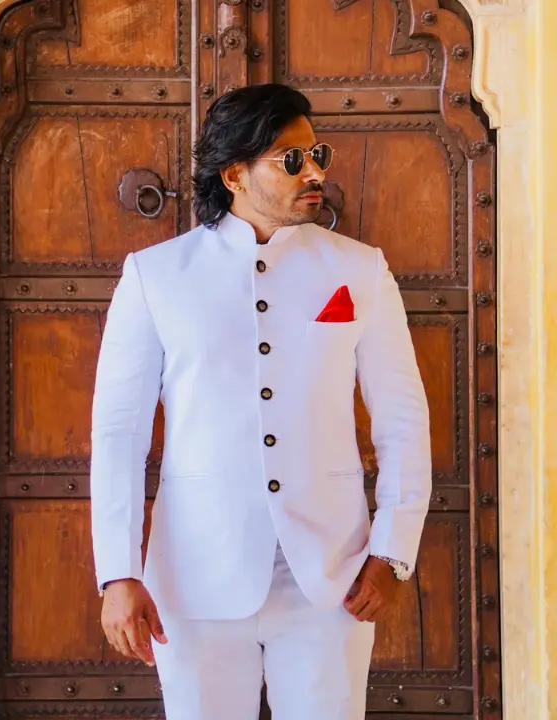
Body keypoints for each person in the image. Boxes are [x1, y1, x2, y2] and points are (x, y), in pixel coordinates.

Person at [89, 83, 431, 719]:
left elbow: (403, 419)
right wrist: (117, 572)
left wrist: (393, 552)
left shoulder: (360, 270)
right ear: (234, 174)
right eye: (292, 159)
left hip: (334, 577)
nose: (316, 172)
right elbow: (119, 434)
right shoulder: (156, 275)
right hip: (193, 578)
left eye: (317, 153)